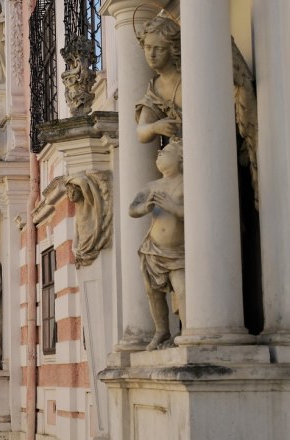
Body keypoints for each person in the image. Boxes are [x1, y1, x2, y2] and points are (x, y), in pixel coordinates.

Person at [129, 140, 185, 351]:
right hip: (152, 249)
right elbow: (132, 209)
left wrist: (173, 207)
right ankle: (162, 330)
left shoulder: (187, 182)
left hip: (178, 250)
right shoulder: (152, 186)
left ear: (181, 157)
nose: (160, 152)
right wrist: (145, 207)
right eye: (160, 150)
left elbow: (197, 211)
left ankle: (187, 330)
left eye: (167, 150)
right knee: (152, 291)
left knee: (182, 289)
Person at [135, 16, 182, 144]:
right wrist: (155, 127)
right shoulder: (155, 87)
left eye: (160, 48)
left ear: (173, 49)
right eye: (148, 47)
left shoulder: (188, 77)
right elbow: (141, 132)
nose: (152, 55)